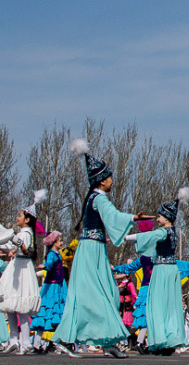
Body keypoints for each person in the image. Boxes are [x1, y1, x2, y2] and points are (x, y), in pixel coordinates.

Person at [52, 140, 140, 358]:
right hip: (91, 251)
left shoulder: (94, 197)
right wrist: (133, 217)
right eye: (109, 176)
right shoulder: (99, 199)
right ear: (101, 181)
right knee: (91, 295)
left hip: (94, 249)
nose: (112, 180)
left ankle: (107, 342)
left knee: (108, 292)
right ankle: (66, 339)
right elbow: (113, 216)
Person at [125, 191, 189, 355]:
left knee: (157, 306)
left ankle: (161, 340)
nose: (157, 219)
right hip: (171, 271)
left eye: (159, 217)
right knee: (170, 306)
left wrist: (125, 237)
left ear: (167, 217)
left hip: (162, 271)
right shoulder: (175, 233)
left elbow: (148, 236)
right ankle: (170, 340)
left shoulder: (163, 232)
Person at [0, 191, 44, 356]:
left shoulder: (25, 234)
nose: (16, 217)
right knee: (10, 306)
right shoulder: (21, 234)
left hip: (22, 270)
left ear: (27, 220)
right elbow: (14, 247)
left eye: (19, 215)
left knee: (21, 308)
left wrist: (17, 245)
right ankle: (13, 340)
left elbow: (25, 249)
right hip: (15, 268)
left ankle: (25, 343)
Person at [31, 231, 69, 354]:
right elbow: (49, 264)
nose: (62, 243)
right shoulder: (52, 254)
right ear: (53, 243)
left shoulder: (57, 254)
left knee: (56, 314)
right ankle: (37, 344)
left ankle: (53, 342)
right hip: (51, 287)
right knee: (46, 313)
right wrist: (44, 266)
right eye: (60, 241)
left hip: (58, 286)